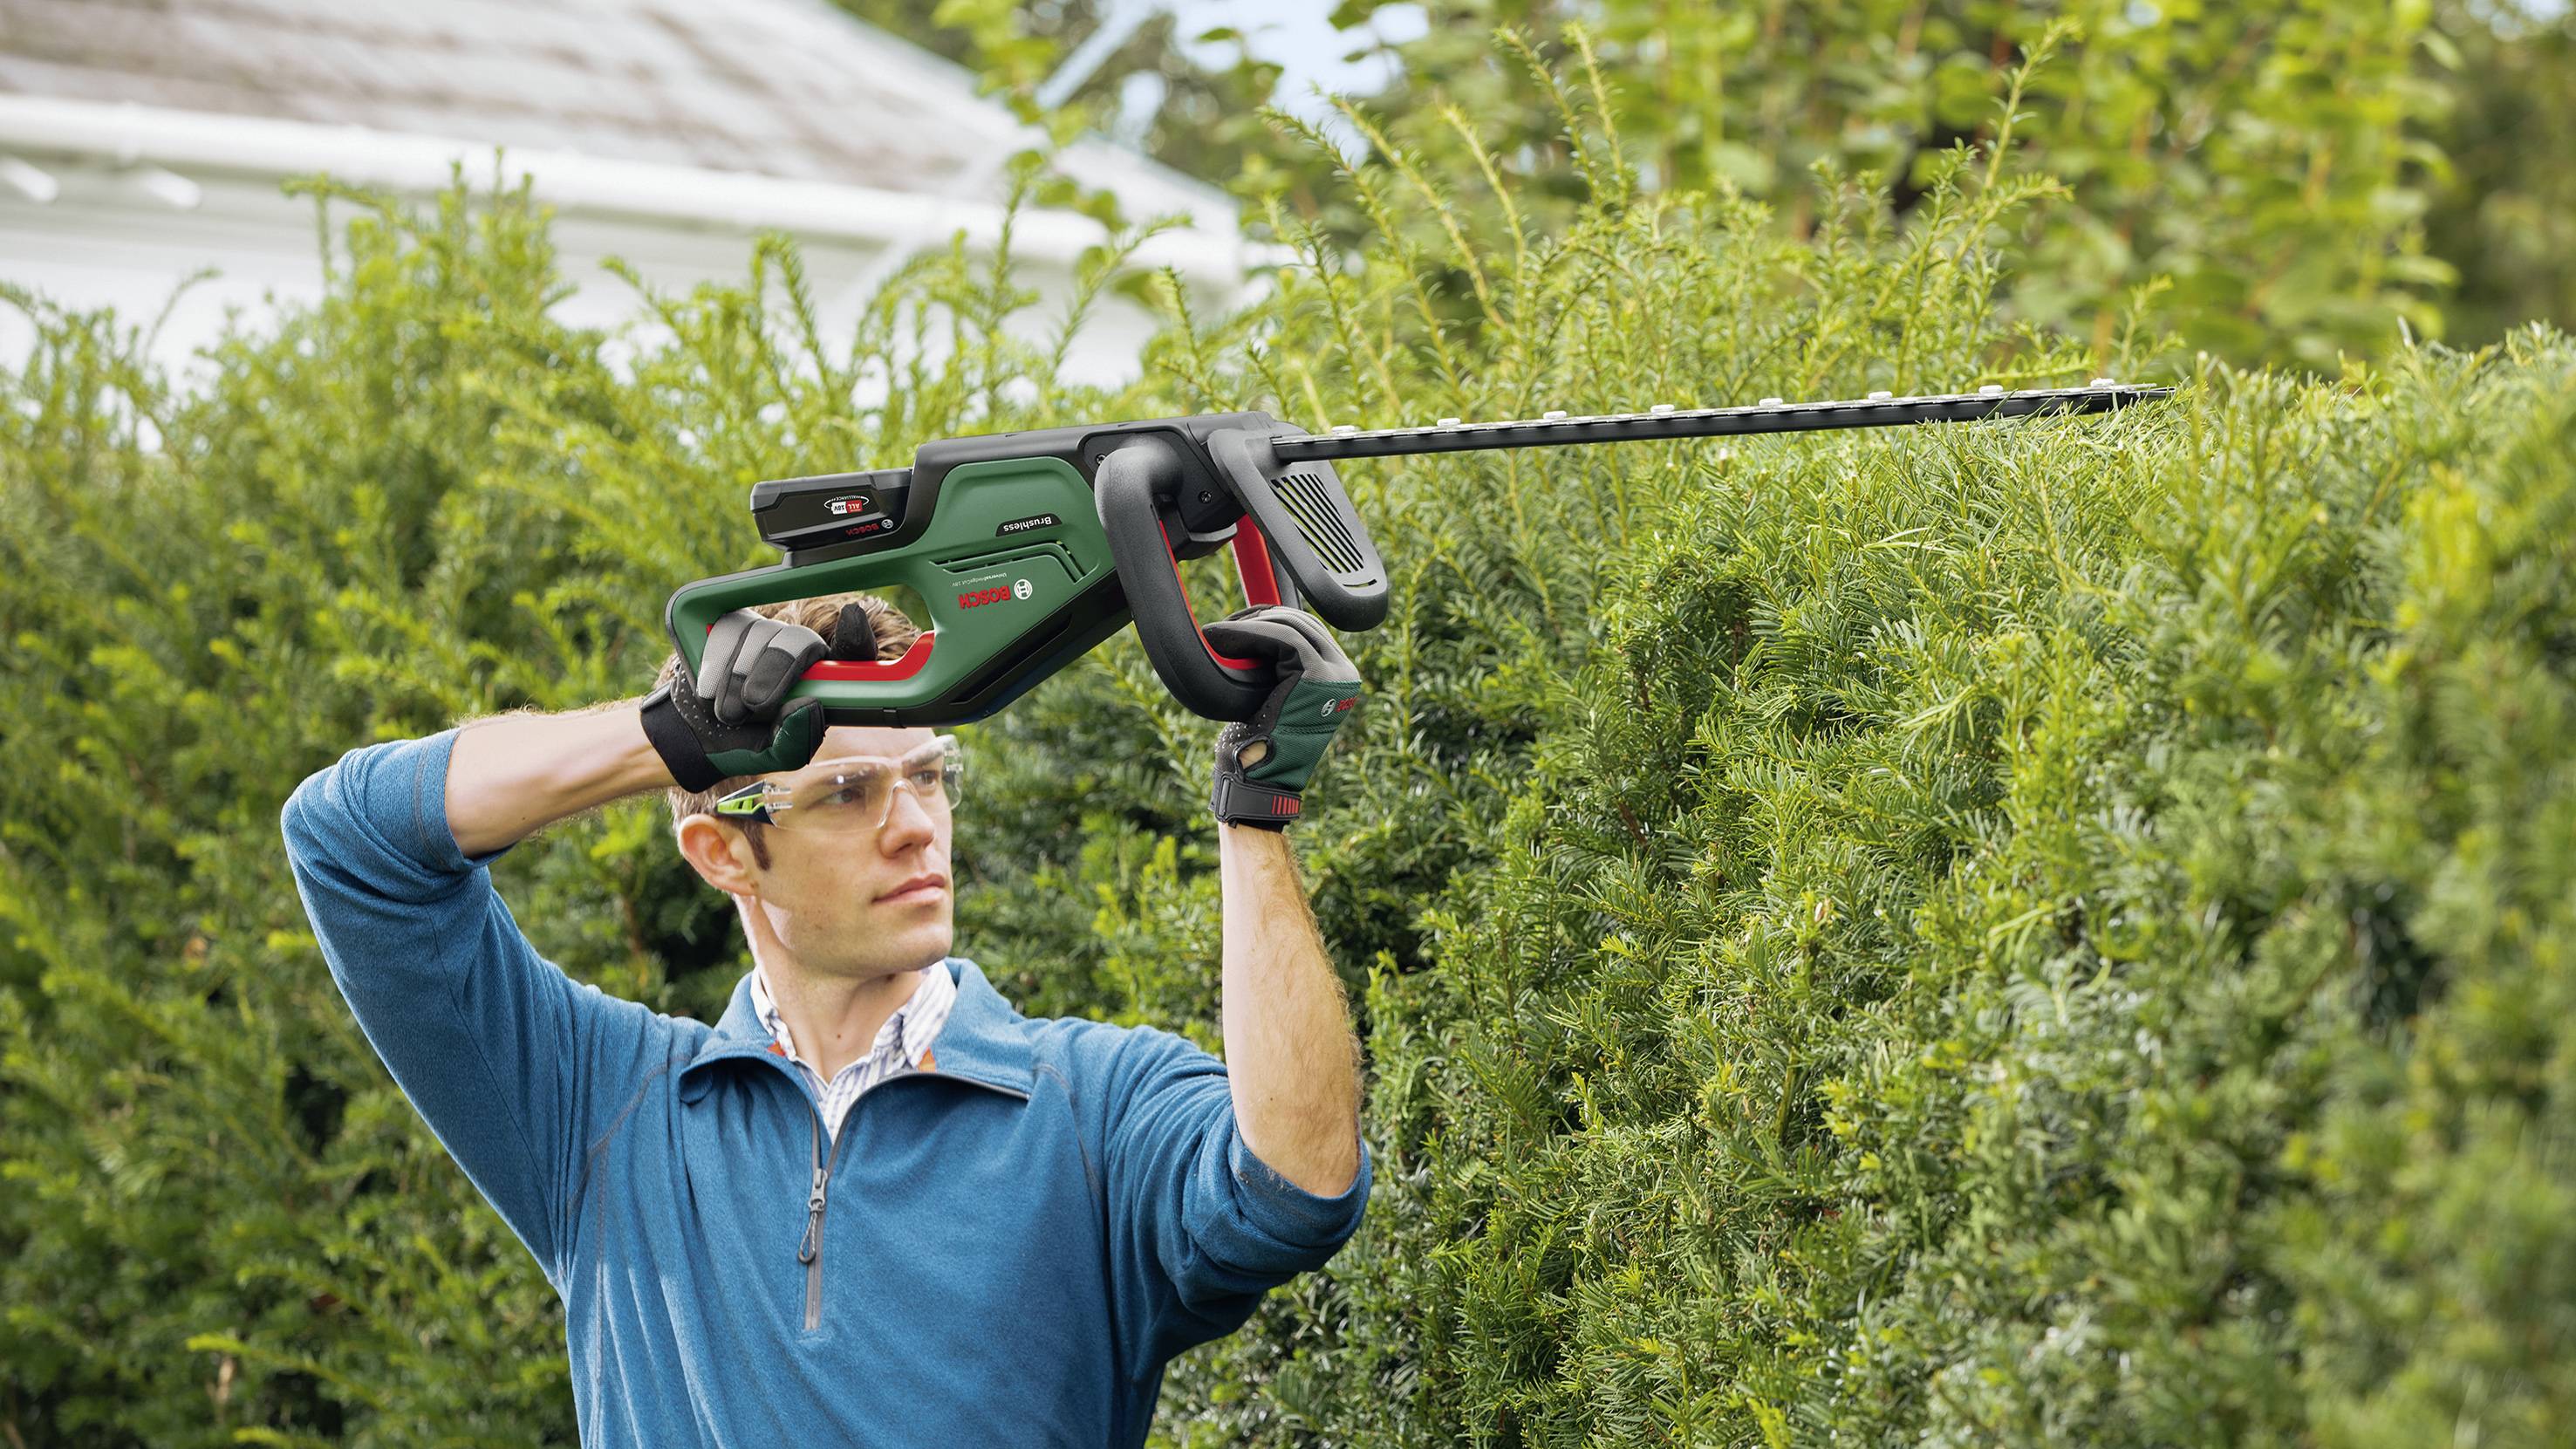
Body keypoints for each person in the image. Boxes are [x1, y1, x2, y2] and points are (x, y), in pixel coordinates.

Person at [277, 590, 1372, 1446]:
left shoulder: (1092, 1109)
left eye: (929, 775)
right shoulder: (598, 1111)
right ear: (720, 854)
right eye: (848, 793)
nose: (915, 828)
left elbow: (1294, 1183)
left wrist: (1257, 809)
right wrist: (670, 735)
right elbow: (350, 842)